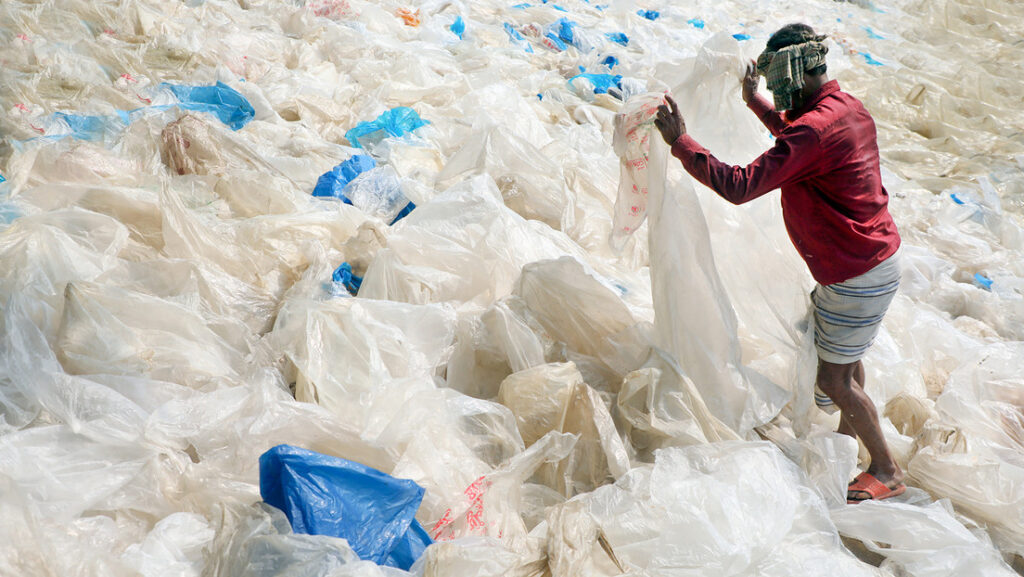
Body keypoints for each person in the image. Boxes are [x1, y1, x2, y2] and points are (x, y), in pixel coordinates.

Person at [653, 23, 905, 503]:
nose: (772, 86)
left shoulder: (814, 128)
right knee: (846, 366)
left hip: (855, 274)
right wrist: (755, 105)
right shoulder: (844, 109)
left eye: (774, 78)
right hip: (872, 262)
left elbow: (740, 186)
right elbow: (803, 146)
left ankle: (886, 469)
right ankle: (847, 443)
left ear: (794, 70)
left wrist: (681, 142)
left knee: (833, 379)